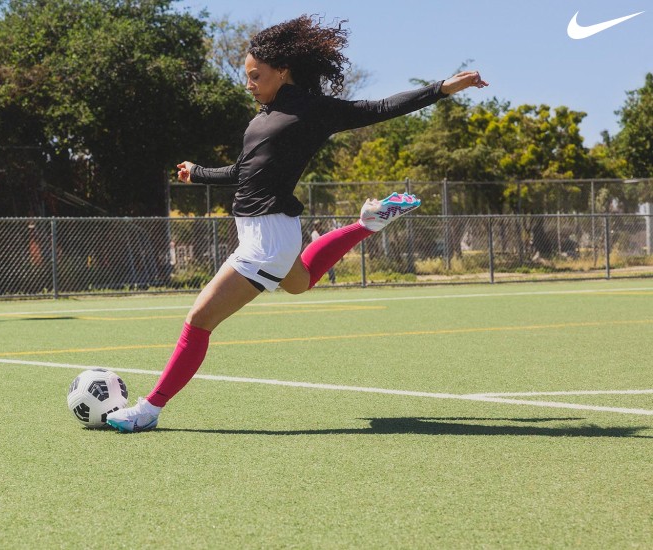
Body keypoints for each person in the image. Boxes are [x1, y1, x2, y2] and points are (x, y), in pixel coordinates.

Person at [107, 15, 488, 432]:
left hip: (267, 238)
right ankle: (367, 224)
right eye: (247, 76)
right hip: (265, 232)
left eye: (256, 76)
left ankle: (149, 410)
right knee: (300, 282)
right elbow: (242, 171)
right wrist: (197, 173)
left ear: (282, 72)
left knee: (199, 319)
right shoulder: (261, 119)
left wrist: (442, 88)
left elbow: (378, 108)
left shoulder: (313, 111)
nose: (248, 84)